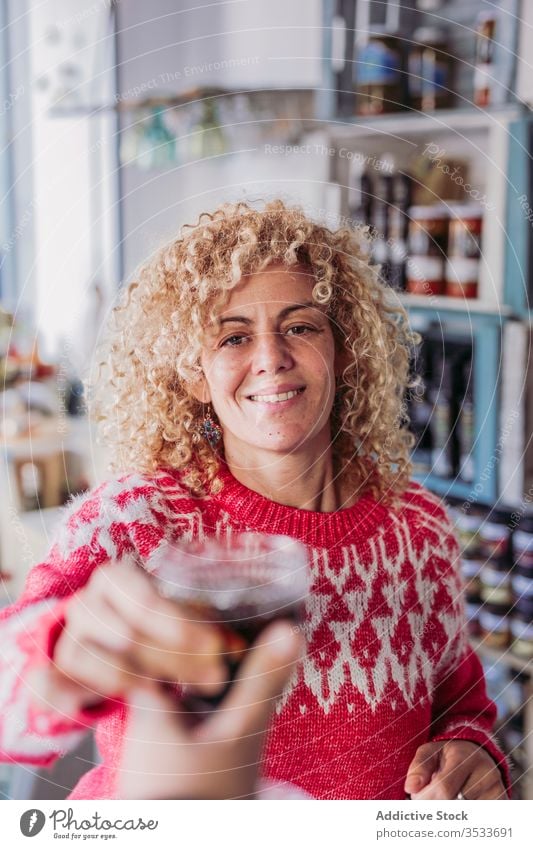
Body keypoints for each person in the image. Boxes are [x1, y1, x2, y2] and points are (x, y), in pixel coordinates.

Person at [0, 200, 510, 800]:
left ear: (344, 351)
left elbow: (458, 698)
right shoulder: (132, 523)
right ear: (194, 372)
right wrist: (64, 652)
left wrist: (474, 752)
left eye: (300, 326)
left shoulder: (418, 527)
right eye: (233, 337)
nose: (271, 359)